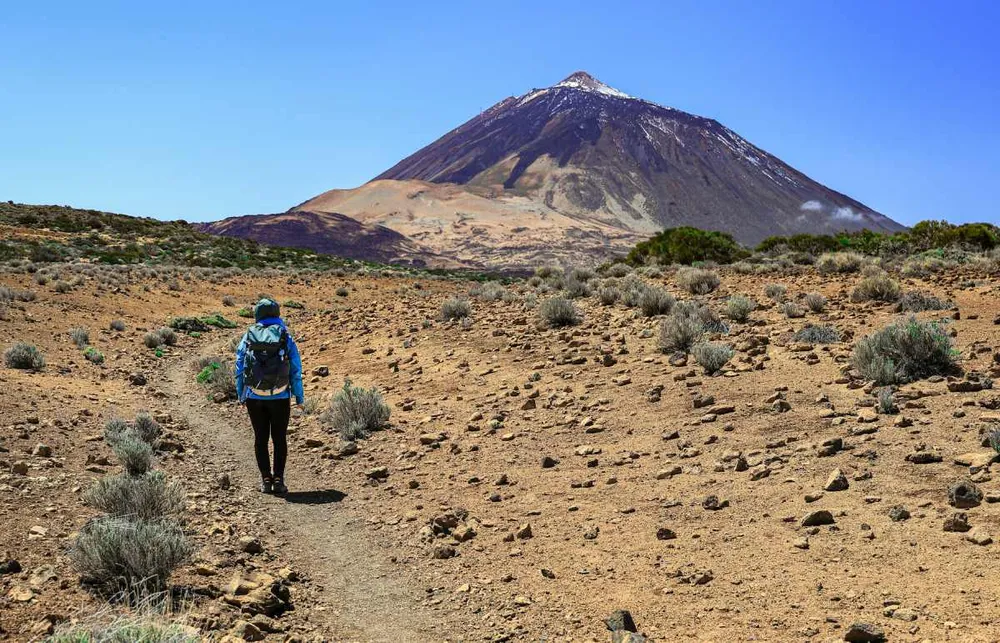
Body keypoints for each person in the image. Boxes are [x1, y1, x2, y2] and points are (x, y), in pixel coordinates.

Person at [235, 298, 304, 495]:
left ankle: (266, 480)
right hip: (280, 396)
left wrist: (242, 394)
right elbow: (295, 369)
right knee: (280, 438)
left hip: (254, 396)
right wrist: (299, 396)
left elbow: (239, 366)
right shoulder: (284, 335)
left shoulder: (248, 335)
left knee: (261, 438)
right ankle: (279, 480)